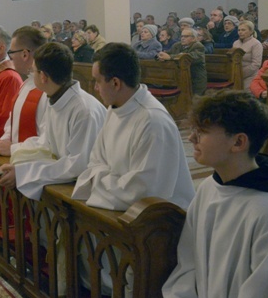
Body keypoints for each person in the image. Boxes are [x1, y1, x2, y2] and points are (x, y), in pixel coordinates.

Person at [162, 91, 268, 298]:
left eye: (202, 131)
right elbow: (187, 264)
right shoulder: (208, 188)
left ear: (239, 142)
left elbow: (261, 294)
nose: (192, 138)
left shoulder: (266, 210)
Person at [72, 43, 195, 211]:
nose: (95, 88)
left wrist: (100, 180)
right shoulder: (115, 109)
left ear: (115, 83)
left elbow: (143, 192)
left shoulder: (152, 121)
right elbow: (95, 161)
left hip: (162, 223)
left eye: (97, 81)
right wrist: (108, 180)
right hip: (121, 210)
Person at [0, 42, 106, 200]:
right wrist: (14, 151)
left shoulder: (83, 110)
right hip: (62, 184)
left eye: (33, 70)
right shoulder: (56, 99)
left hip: (83, 193)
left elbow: (78, 165)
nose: (31, 74)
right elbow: (46, 142)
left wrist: (24, 172)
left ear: (43, 76)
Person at [0, 26, 48, 156]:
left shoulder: (47, 91)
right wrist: (3, 140)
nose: (10, 59)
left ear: (25, 54)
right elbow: (13, 123)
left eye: (11, 54)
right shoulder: (25, 85)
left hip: (33, 165)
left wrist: (13, 149)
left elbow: (48, 141)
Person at [158, 28, 207, 96]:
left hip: (195, 79)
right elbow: (168, 53)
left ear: (193, 38)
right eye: (182, 36)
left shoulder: (198, 46)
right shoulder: (177, 45)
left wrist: (170, 57)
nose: (183, 38)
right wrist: (160, 56)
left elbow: (189, 58)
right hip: (179, 78)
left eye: (186, 36)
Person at [233, 20, 263, 89]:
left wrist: (241, 73)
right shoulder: (235, 43)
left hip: (251, 76)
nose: (240, 32)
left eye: (243, 30)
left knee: (245, 93)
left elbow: (256, 64)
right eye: (239, 30)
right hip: (236, 75)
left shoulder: (256, 44)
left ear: (251, 31)